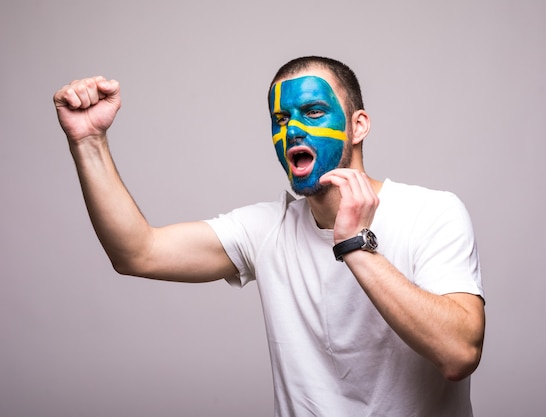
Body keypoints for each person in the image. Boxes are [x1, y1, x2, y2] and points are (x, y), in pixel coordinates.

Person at [54, 56, 485, 416]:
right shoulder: (266, 230)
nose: (293, 129)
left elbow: (459, 354)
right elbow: (138, 253)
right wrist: (89, 141)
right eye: (281, 118)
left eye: (313, 112)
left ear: (358, 125)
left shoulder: (432, 212)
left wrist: (355, 244)